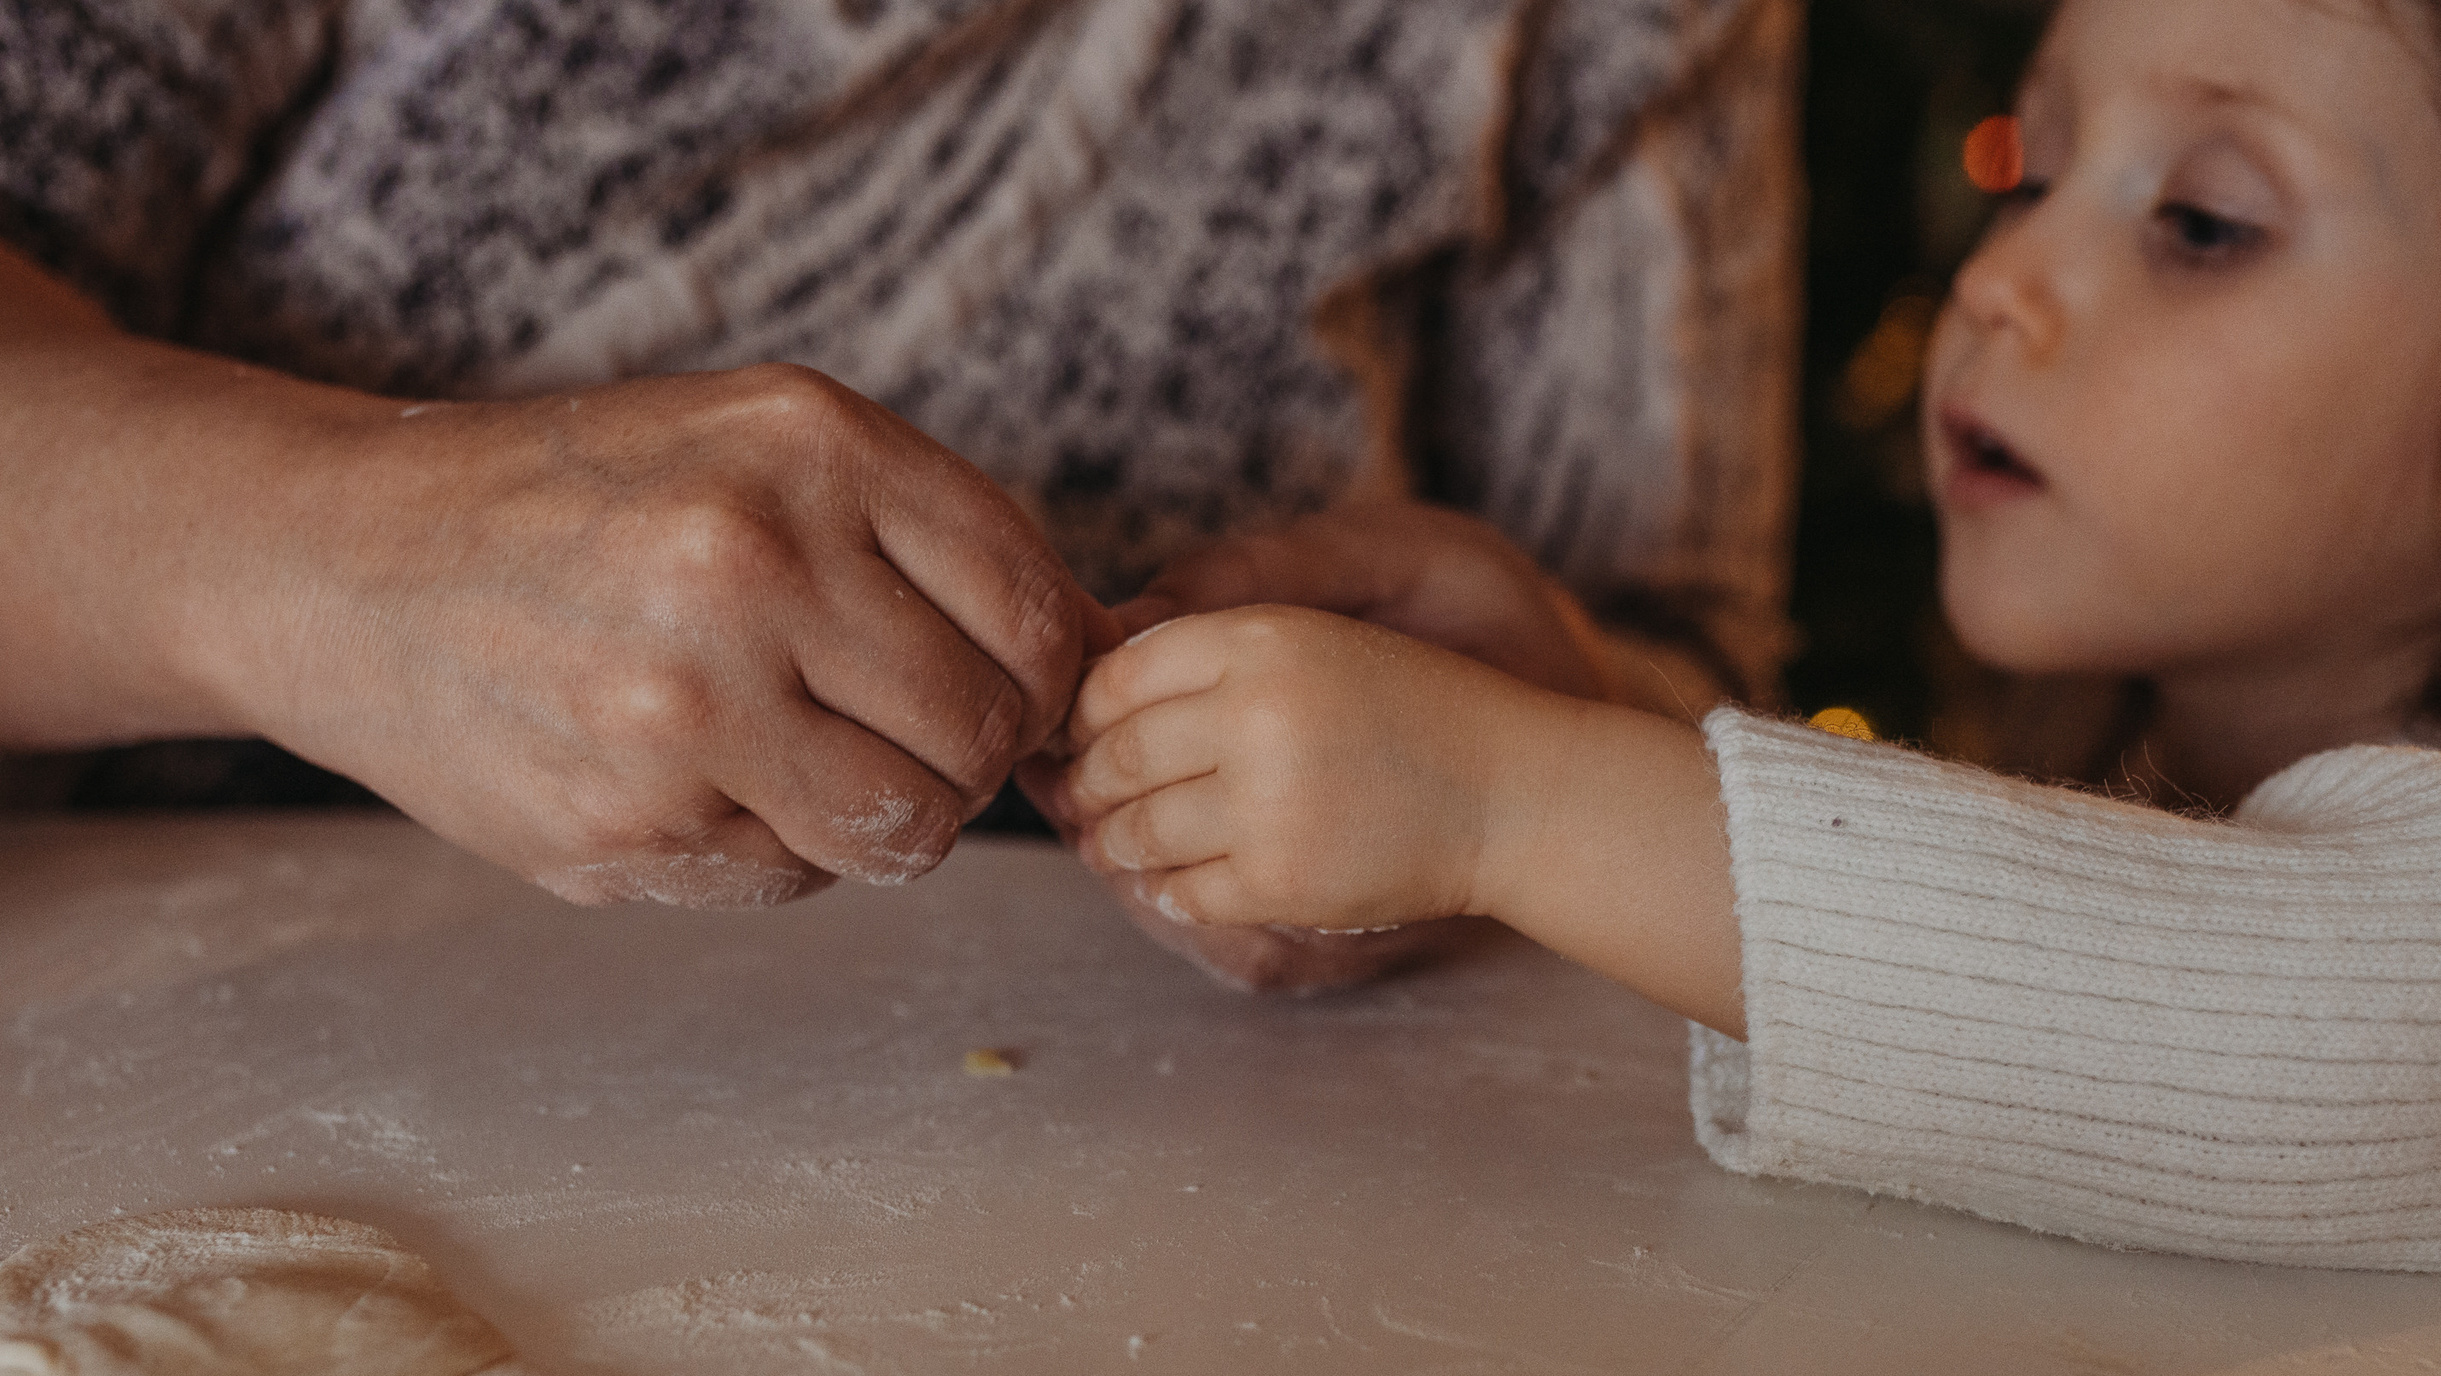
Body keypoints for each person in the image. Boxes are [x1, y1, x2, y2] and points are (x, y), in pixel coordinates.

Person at [1054, 0, 2441, 1270]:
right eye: (2030, 174)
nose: (1994, 281)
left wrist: (1508, 796)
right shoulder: (2135, 723)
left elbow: (2315, 1025)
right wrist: (1586, 706)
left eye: (2201, 224)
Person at [0, 0, 1804, 988]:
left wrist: (1526, 736)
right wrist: (350, 555)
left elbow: (1687, 687)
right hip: (198, 1064)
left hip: (1222, 1203)